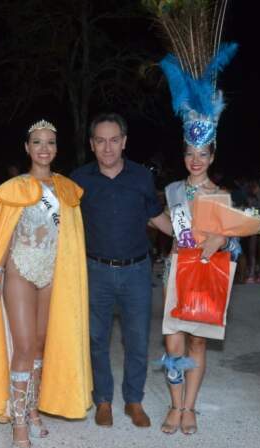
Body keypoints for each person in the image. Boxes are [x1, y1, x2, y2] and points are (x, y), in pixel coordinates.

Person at [0, 120, 92, 448]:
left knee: (40, 345)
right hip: (20, 268)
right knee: (23, 345)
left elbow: (70, 239)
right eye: (37, 142)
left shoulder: (66, 189)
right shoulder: (17, 187)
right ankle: (18, 420)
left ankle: (33, 409)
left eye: (50, 142)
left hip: (51, 273)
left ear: (56, 148)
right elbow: (3, 235)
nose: (44, 148)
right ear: (27, 148)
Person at [151, 6, 239, 435]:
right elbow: (171, 228)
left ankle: (189, 407)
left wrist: (222, 240)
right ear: (184, 153)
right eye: (189, 153)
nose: (195, 160)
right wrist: (152, 219)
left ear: (212, 155)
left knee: (198, 341)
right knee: (172, 342)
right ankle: (173, 402)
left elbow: (236, 242)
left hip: (206, 275)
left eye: (202, 154)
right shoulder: (172, 191)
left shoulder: (222, 196)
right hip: (175, 272)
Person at [71, 113, 169, 428]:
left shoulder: (142, 177)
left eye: (114, 140)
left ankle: (133, 400)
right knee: (96, 339)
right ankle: (103, 400)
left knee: (137, 339)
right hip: (95, 270)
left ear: (124, 142)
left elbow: (156, 218)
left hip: (136, 271)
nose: (108, 147)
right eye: (101, 140)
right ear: (92, 144)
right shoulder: (78, 181)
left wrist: (191, 237)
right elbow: (63, 225)